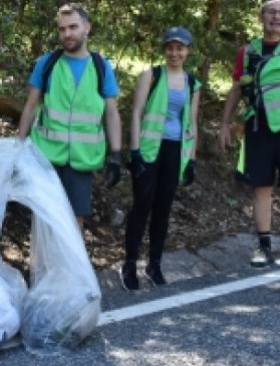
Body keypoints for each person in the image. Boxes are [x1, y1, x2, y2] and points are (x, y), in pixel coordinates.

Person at [218, 0, 280, 269]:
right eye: (271, 11)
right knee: (261, 188)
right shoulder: (247, 52)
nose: (276, 17)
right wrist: (225, 124)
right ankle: (264, 246)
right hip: (258, 128)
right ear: (261, 16)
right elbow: (237, 89)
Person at [17, 3, 122, 231]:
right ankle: (41, 267)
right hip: (46, 156)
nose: (67, 34)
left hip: (82, 159)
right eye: (62, 29)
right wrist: (18, 146)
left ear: (87, 27)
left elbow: (112, 113)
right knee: (43, 217)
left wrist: (116, 154)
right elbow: (30, 106)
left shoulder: (101, 67)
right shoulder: (47, 63)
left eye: (73, 27)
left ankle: (71, 268)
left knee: (75, 219)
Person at [119, 27, 202, 291]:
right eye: (170, 47)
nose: (175, 52)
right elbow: (136, 112)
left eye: (180, 48)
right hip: (149, 149)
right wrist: (134, 151)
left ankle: (154, 265)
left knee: (163, 209)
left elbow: (192, 123)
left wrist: (191, 159)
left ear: (188, 51)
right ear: (164, 50)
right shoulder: (151, 75)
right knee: (142, 206)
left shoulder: (193, 84)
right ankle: (129, 265)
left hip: (175, 151)